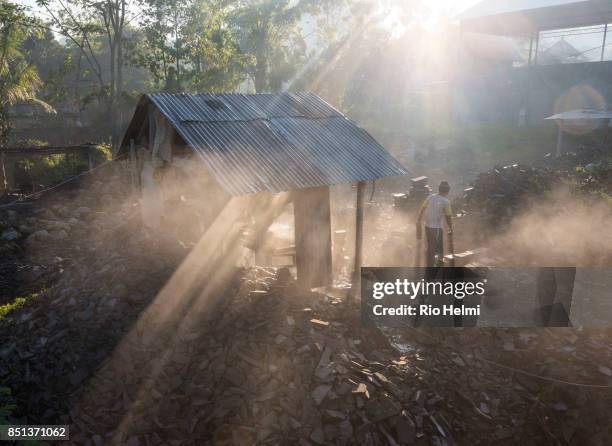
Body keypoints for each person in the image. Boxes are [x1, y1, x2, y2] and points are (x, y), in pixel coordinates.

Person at [416, 181, 453, 267]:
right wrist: (450, 228)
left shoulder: (430, 197)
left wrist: (418, 220)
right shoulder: (446, 201)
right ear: (447, 191)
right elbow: (448, 217)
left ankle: (429, 263)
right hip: (436, 228)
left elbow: (422, 208)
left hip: (427, 226)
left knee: (430, 245)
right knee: (436, 248)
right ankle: (433, 266)